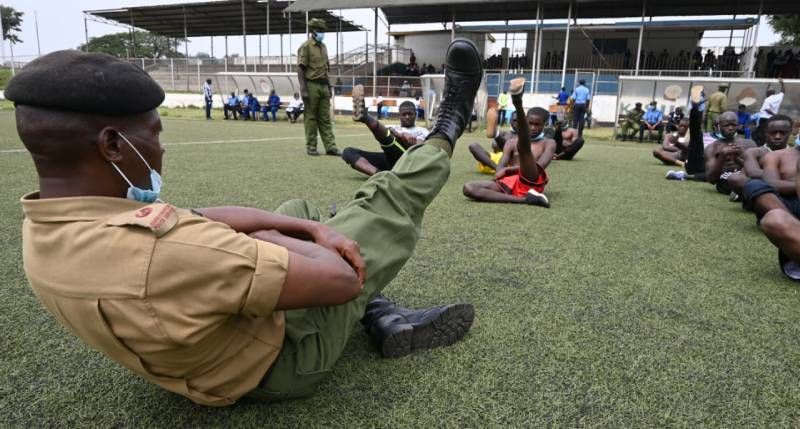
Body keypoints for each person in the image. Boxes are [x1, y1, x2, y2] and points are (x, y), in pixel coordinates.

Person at [9, 41, 482, 405]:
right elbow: (339, 279)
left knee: (298, 212)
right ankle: (447, 127)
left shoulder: (47, 227)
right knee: (383, 205)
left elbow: (200, 220)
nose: (161, 149)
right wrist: (286, 238)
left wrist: (306, 230)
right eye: (154, 135)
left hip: (197, 355)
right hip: (281, 361)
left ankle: (378, 310)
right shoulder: (169, 252)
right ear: (113, 145)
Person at [462, 78, 554, 207]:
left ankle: (517, 100)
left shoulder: (548, 143)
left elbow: (540, 166)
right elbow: (501, 166)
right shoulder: (510, 142)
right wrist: (502, 172)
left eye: (537, 125)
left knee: (523, 149)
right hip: (510, 181)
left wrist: (508, 170)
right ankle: (526, 200)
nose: (533, 128)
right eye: (530, 124)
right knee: (468, 188)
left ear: (544, 125)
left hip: (530, 180)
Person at [342, 95, 429, 176]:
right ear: (399, 115)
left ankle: (365, 117)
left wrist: (404, 138)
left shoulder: (422, 130)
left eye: (410, 114)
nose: (407, 117)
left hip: (406, 161)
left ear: (415, 114)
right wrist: (400, 134)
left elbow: (419, 146)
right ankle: (379, 175)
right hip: (388, 161)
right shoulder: (392, 127)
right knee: (348, 152)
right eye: (404, 114)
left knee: (389, 139)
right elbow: (387, 130)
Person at [297, 18, 338, 156]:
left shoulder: (324, 47)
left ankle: (331, 147)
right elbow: (301, 69)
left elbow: (325, 69)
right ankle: (311, 147)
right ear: (312, 31)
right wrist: (303, 89)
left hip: (323, 86)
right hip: (311, 85)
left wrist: (329, 86)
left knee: (325, 118)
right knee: (311, 118)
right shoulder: (306, 47)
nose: (322, 33)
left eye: (323, 31)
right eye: (320, 31)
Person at [727, 115, 793, 199]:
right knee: (736, 178)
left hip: (785, 187)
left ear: (790, 133)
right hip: (761, 186)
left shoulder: (795, 153)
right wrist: (787, 177)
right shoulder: (754, 152)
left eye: (782, 133)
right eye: (773, 132)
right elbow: (753, 173)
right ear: (766, 132)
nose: (777, 137)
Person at [755, 78, 785, 146]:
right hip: (772, 119)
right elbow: (783, 92)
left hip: (764, 118)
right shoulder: (778, 97)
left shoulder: (767, 99)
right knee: (769, 132)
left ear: (768, 93)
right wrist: (782, 83)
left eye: (767, 92)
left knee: (761, 133)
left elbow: (767, 109)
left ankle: (760, 145)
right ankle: (768, 145)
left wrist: (774, 114)